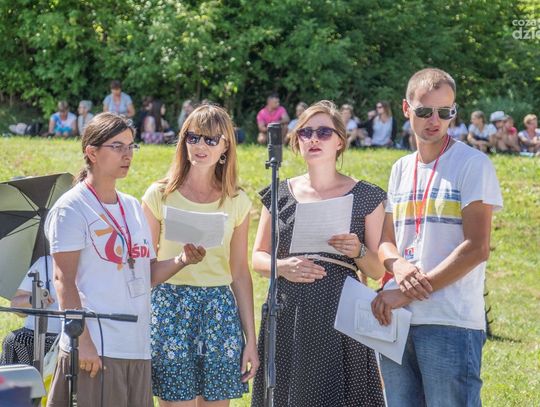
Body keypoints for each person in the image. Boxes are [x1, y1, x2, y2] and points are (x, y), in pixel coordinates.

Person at [44, 112, 205, 407]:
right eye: (117, 146)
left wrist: (182, 259)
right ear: (92, 152)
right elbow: (62, 279)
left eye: (131, 146)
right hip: (96, 348)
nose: (127, 154)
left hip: (136, 347)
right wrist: (83, 342)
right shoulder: (71, 208)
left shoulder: (131, 206)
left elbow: (147, 274)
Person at [372, 68, 503, 407]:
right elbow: (386, 241)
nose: (435, 120)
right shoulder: (400, 168)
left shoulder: (473, 164)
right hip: (397, 321)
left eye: (445, 112)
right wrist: (397, 266)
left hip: (450, 320)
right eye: (425, 111)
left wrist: (406, 293)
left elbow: (477, 248)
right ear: (406, 108)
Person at [251, 100, 386, 406]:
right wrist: (282, 266)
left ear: (340, 141)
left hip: (340, 313)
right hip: (289, 312)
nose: (313, 139)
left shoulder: (367, 195)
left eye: (324, 132)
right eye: (305, 132)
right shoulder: (280, 192)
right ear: (296, 140)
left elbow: (377, 270)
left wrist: (358, 249)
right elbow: (257, 257)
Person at [142, 104, 259, 406]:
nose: (200, 145)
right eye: (193, 137)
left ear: (225, 146)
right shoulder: (159, 195)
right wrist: (181, 261)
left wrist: (251, 340)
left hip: (218, 310)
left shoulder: (237, 201)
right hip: (170, 307)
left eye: (211, 139)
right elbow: (144, 273)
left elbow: (240, 273)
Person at [0, 256, 60, 365]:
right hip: (34, 333)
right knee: (14, 340)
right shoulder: (44, 262)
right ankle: (21, 376)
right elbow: (16, 306)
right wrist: (34, 298)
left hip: (69, 336)